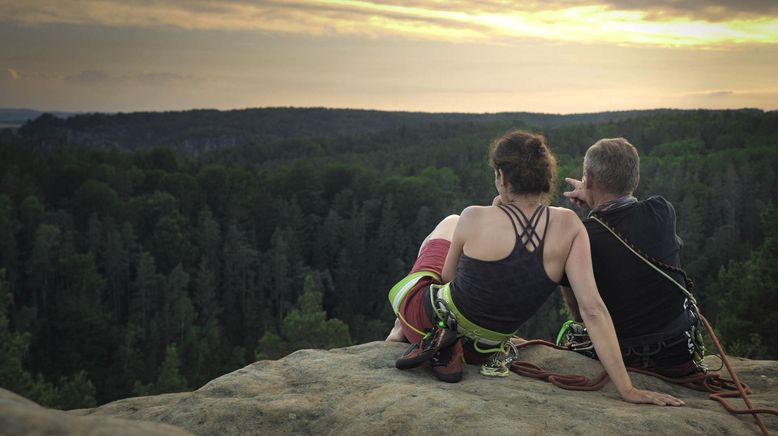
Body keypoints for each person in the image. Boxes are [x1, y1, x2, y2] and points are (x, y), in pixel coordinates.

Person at [386, 130, 683, 406]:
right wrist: (627, 389)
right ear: (547, 178)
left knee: (447, 224)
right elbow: (593, 311)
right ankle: (444, 339)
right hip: (485, 349)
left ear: (502, 176)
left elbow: (447, 279)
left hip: (429, 317)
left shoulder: (473, 216)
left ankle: (404, 327)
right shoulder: (570, 225)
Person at [560, 138, 702, 376]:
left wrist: (592, 199)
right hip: (678, 351)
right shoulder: (662, 210)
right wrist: (594, 197)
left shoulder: (578, 237)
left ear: (589, 177)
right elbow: (628, 219)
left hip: (623, 355)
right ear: (635, 177)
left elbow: (580, 314)